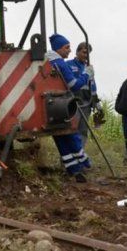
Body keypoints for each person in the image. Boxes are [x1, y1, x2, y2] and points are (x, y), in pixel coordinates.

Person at [45, 33, 91, 182]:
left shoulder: (47, 61)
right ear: (58, 48)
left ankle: (73, 169)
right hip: (62, 104)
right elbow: (74, 85)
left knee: (59, 137)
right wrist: (87, 75)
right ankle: (84, 162)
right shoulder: (61, 63)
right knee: (70, 133)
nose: (69, 50)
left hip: (49, 103)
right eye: (67, 47)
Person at [66, 42, 102, 147]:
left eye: (88, 53)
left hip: (86, 103)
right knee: (71, 129)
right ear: (77, 52)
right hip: (73, 102)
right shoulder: (68, 64)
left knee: (83, 129)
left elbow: (93, 85)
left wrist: (96, 101)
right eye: (84, 52)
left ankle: (80, 152)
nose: (86, 55)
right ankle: (68, 155)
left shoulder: (89, 67)